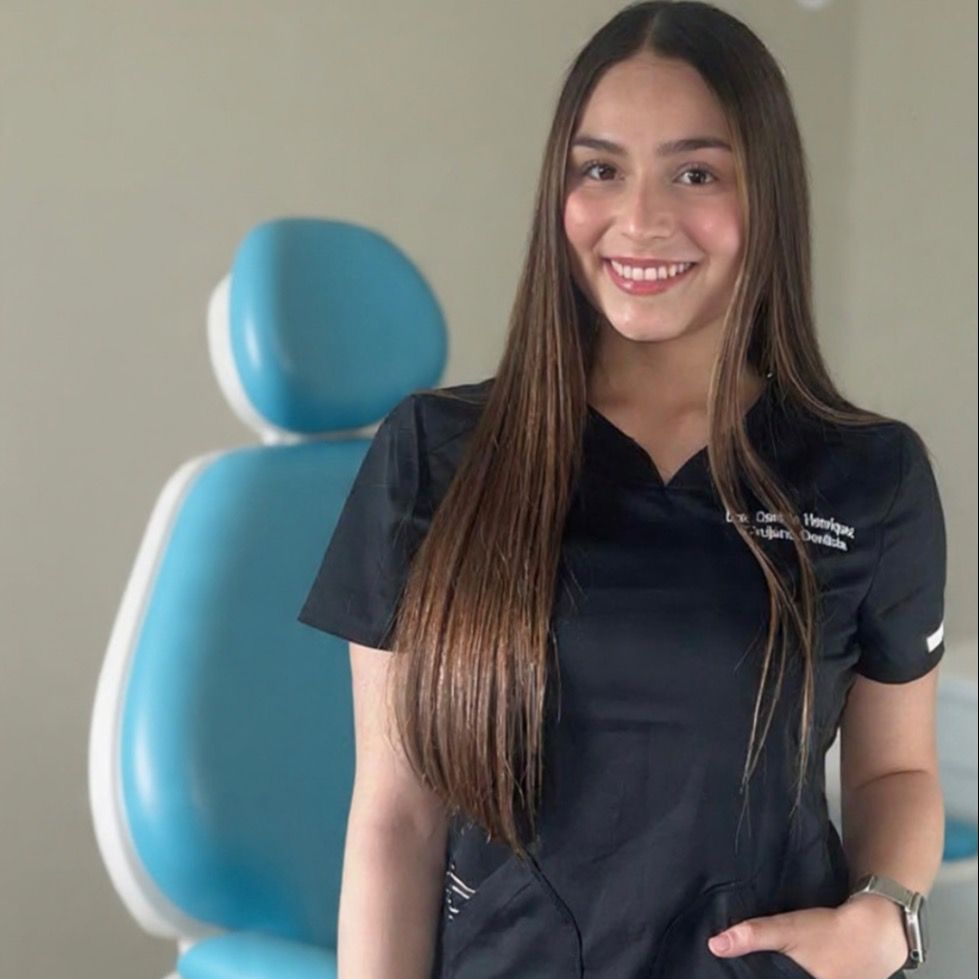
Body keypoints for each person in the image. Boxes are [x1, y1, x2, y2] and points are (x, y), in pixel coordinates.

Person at [297, 3, 947, 977]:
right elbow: (397, 816)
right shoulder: (435, 455)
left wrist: (887, 914)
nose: (639, 220)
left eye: (695, 173)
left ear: (766, 194)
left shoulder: (868, 474)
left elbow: (895, 768)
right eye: (600, 170)